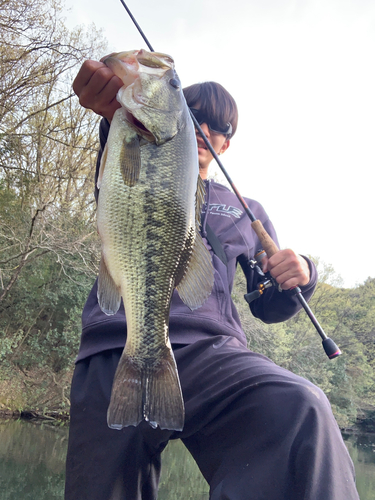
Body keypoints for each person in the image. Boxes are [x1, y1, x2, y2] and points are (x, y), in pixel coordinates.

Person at [65, 58, 359, 500]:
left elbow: (269, 304)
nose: (203, 129)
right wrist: (113, 116)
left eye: (217, 127)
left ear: (226, 145)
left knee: (303, 410)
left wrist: (302, 273)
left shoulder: (247, 211)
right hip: (116, 342)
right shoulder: (138, 153)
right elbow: (120, 167)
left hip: (213, 354)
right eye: (194, 114)